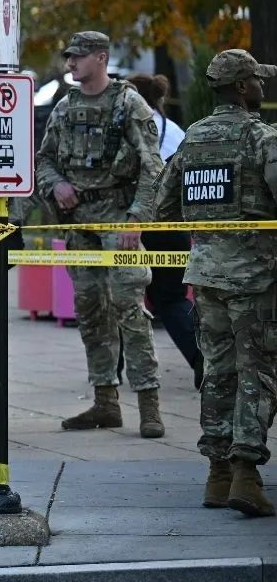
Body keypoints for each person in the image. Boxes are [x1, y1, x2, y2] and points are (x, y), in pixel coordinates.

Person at [151, 49, 277, 518]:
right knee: (258, 374)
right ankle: (246, 473)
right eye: (257, 81)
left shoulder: (192, 141)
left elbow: (162, 209)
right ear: (242, 88)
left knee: (217, 373)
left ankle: (217, 475)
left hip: (205, 278)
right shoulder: (262, 137)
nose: (263, 87)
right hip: (256, 280)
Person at [36, 31, 166, 438]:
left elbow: (152, 167)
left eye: (78, 57)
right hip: (79, 227)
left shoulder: (129, 104)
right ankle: (105, 402)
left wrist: (136, 219)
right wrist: (56, 184)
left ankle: (149, 404)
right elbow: (43, 161)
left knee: (130, 310)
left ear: (101, 58)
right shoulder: (64, 108)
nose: (70, 63)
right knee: (91, 312)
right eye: (69, 56)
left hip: (118, 222)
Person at [127, 72, 202, 388]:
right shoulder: (175, 131)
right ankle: (202, 359)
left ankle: (201, 361)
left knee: (132, 299)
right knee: (167, 298)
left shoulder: (141, 129)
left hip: (145, 224)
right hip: (174, 226)